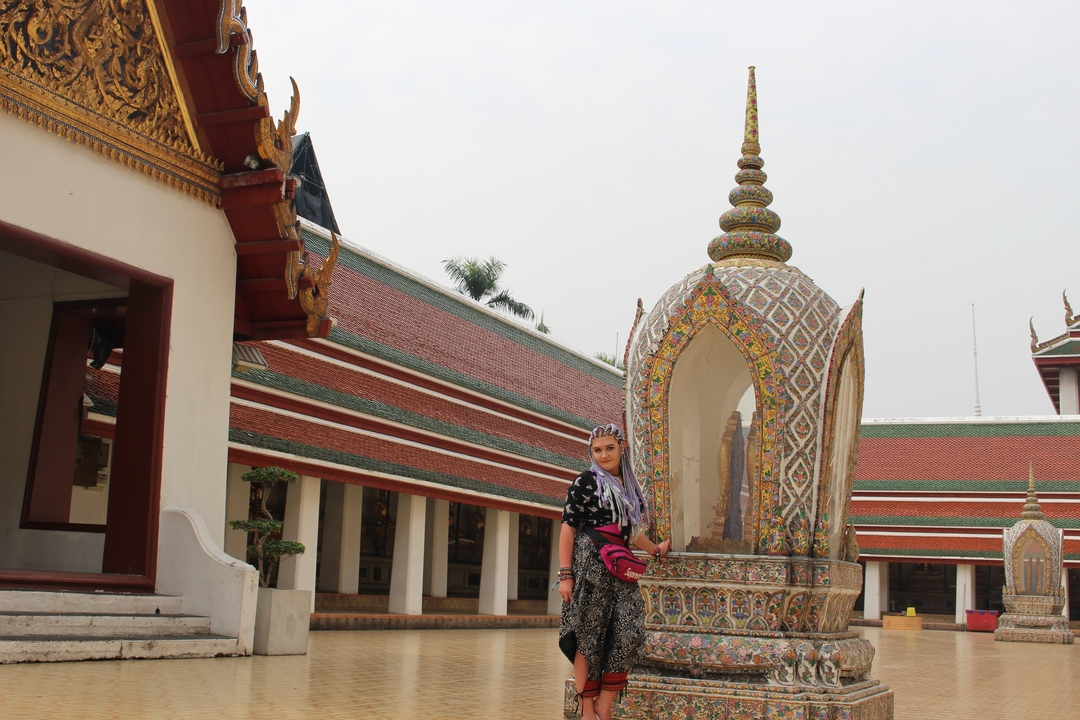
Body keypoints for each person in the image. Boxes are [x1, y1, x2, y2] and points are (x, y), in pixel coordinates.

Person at [558, 424, 671, 720]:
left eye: (609, 448)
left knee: (628, 633)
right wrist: (565, 574)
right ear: (591, 453)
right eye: (597, 449)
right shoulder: (586, 481)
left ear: (622, 448)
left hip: (621, 566)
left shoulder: (628, 485)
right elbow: (568, 528)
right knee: (588, 636)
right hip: (591, 563)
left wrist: (655, 549)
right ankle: (586, 709)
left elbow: (631, 533)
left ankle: (604, 704)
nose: (604, 454)